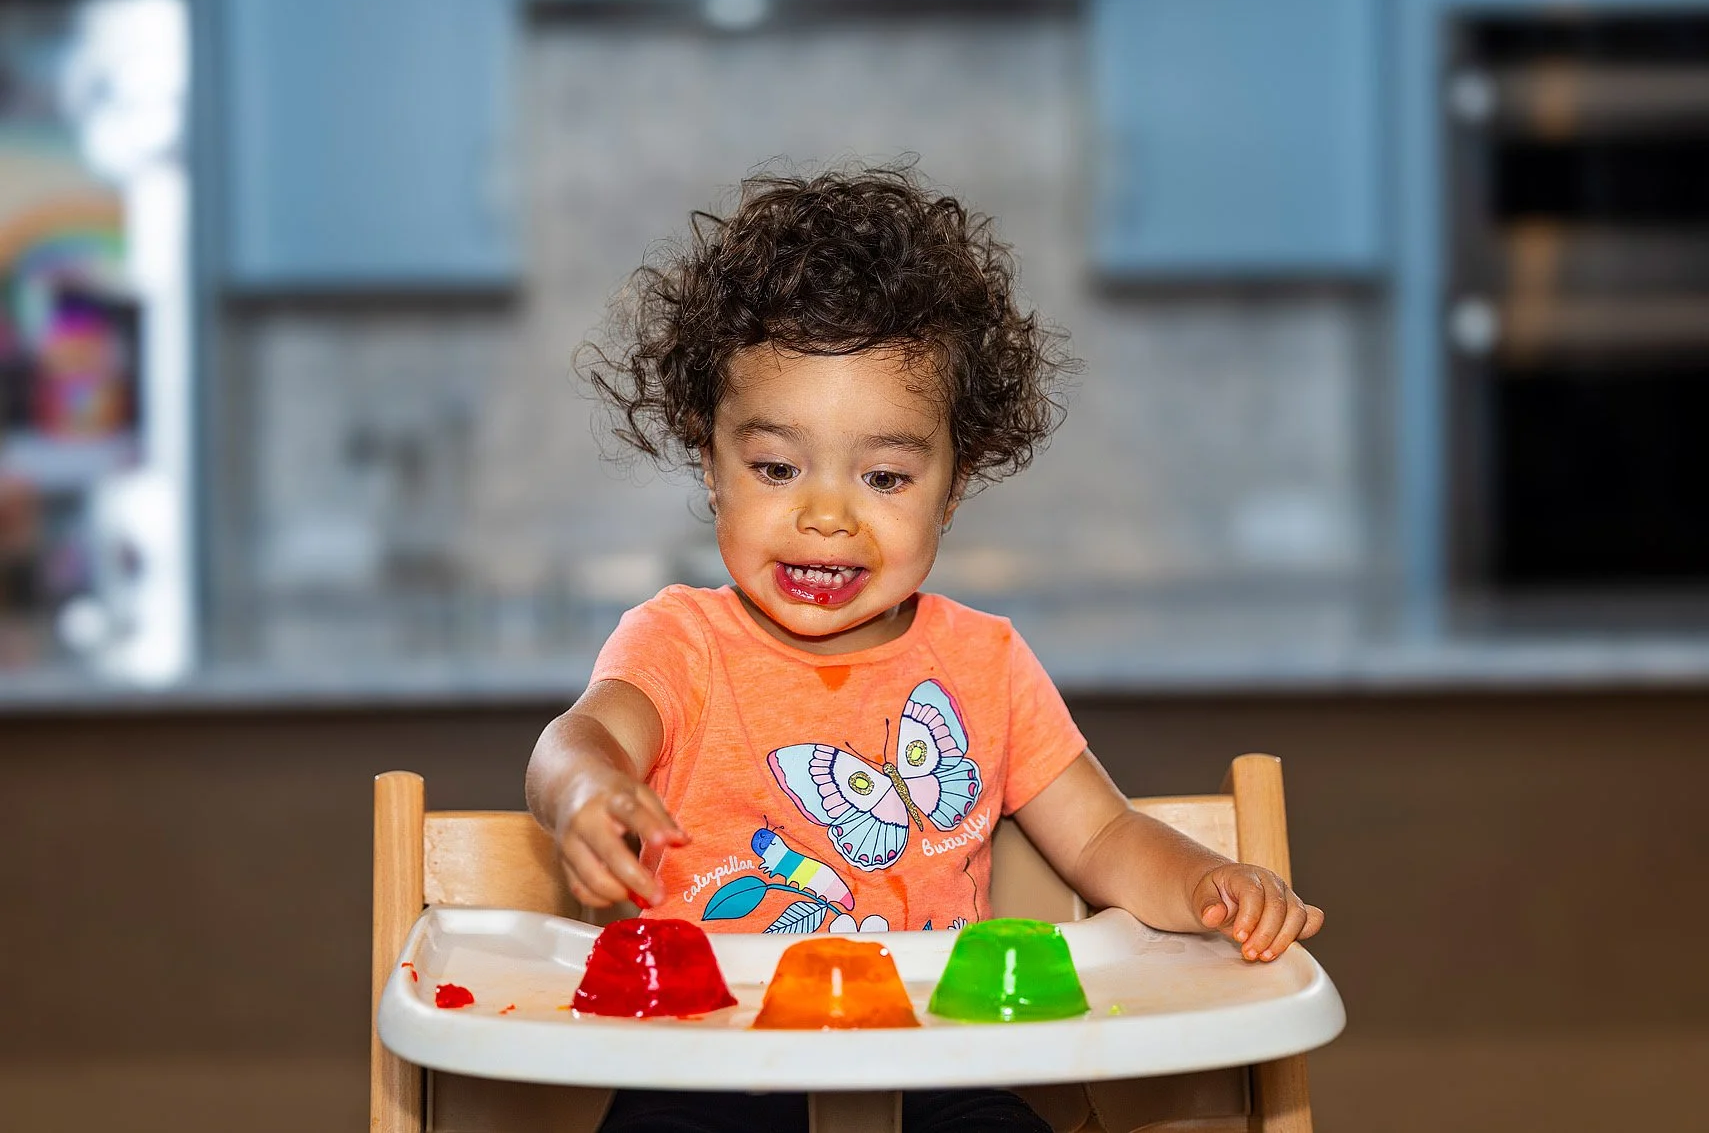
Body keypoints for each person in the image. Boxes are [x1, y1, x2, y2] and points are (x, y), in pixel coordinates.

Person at [526, 163, 1324, 1133]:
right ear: (709, 461)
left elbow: (1105, 838)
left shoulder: (983, 664)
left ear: (954, 484)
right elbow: (577, 738)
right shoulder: (680, 643)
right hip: (707, 1061)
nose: (824, 515)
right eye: (776, 467)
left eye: (886, 478)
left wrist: (1204, 883)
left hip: (939, 1058)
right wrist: (585, 792)